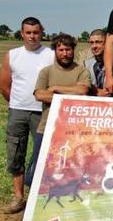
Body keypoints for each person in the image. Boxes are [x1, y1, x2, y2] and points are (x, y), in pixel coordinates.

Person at [0, 17, 54, 214]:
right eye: (28, 32)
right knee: (16, 151)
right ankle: (18, 197)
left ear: (42, 33)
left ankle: (40, 197)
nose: (32, 36)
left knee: (43, 155)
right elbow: (5, 86)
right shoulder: (12, 55)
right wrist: (18, 103)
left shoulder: (50, 55)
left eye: (36, 32)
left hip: (43, 112)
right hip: (18, 110)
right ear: (21, 33)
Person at [27, 33, 90, 186]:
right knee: (38, 170)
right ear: (55, 50)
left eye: (68, 49)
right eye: (61, 50)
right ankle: (32, 203)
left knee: (70, 170)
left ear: (73, 50)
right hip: (47, 128)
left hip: (73, 130)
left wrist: (55, 89)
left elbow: (83, 91)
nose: (65, 53)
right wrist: (70, 95)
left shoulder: (82, 71)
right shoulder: (46, 72)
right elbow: (40, 94)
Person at [84, 29, 109, 96]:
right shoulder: (86, 65)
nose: (94, 46)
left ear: (106, 43)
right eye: (91, 43)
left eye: (98, 42)